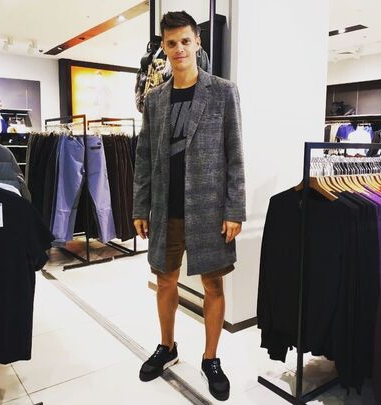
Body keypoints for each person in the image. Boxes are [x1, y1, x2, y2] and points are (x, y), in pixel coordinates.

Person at [132, 10, 246, 401]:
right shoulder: (155, 98)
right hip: (166, 208)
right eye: (171, 43)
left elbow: (235, 155)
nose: (179, 48)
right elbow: (144, 157)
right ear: (163, 48)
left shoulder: (223, 91)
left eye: (185, 40)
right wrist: (140, 206)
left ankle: (211, 358)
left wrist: (234, 209)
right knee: (165, 280)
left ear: (197, 42)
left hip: (210, 210)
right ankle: (167, 346)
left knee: (213, 284)